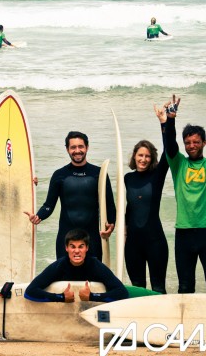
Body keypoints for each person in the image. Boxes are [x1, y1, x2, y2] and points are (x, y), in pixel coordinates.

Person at [164, 92, 206, 294]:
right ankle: (185, 325)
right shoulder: (178, 164)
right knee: (184, 287)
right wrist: (171, 120)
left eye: (196, 142)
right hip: (183, 232)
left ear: (204, 143)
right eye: (188, 142)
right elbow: (170, 145)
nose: (191, 146)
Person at [25, 131, 116, 261]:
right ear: (67, 149)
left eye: (81, 146)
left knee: (92, 279)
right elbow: (48, 205)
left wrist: (111, 225)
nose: (77, 150)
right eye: (73, 147)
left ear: (87, 147)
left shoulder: (99, 174)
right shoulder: (59, 175)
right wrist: (39, 216)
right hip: (66, 238)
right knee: (65, 279)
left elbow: (109, 205)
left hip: (92, 239)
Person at [124, 103, 174, 294]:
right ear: (134, 157)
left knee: (159, 289)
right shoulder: (127, 178)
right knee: (137, 288)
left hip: (155, 242)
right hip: (133, 244)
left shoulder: (157, 175)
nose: (143, 159)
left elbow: (169, 150)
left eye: (147, 156)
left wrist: (164, 122)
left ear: (151, 158)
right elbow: (127, 208)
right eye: (140, 155)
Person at [25, 229, 128, 303]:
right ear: (66, 248)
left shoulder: (95, 265)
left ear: (87, 248)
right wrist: (61, 297)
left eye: (81, 247)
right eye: (72, 247)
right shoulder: (59, 266)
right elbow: (29, 292)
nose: (77, 251)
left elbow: (122, 292)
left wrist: (92, 296)